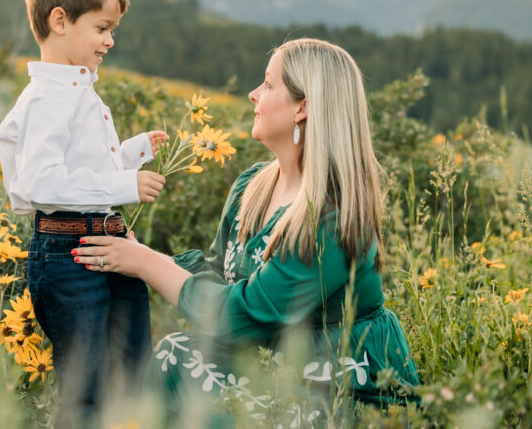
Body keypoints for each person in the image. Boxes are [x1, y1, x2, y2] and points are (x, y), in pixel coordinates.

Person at [74, 38, 420, 425]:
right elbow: (222, 273)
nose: (254, 94)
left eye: (269, 84)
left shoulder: (333, 218)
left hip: (338, 384)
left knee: (194, 379)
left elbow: (243, 316)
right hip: (272, 359)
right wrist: (148, 255)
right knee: (176, 354)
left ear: (303, 107)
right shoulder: (254, 185)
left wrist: (149, 265)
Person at [0, 0, 168, 428]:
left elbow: (80, 170)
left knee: (132, 369)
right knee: (86, 387)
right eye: (102, 28)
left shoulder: (78, 90)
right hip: (68, 254)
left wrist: (130, 155)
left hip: (107, 244)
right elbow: (44, 183)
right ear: (59, 21)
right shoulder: (47, 98)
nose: (110, 40)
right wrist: (123, 185)